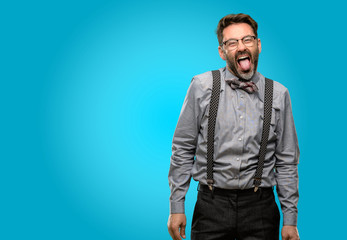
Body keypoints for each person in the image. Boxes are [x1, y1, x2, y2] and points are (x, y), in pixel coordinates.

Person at [167, 13, 300, 240]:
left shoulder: (278, 94)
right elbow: (182, 148)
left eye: (247, 39)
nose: (241, 47)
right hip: (211, 205)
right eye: (232, 42)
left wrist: (290, 219)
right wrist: (176, 206)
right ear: (222, 51)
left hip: (260, 208)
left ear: (258, 45)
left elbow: (286, 160)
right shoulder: (202, 86)